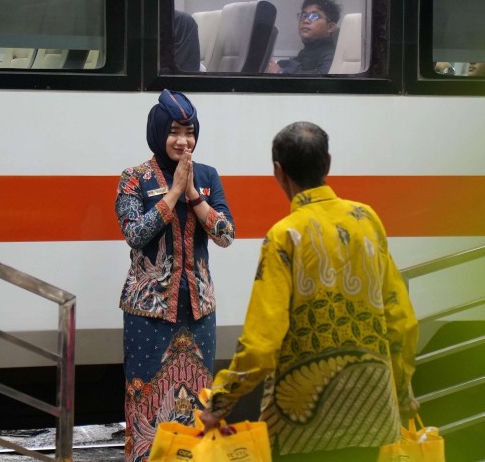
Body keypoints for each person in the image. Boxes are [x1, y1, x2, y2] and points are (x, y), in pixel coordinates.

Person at [199, 121, 419, 462]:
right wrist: (402, 394)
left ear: (278, 171)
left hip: (300, 428)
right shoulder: (367, 219)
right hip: (373, 415)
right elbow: (401, 320)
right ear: (327, 164)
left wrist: (220, 401)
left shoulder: (284, 237)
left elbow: (262, 344)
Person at [115, 90, 236, 462]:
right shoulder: (133, 178)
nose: (183, 141)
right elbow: (134, 234)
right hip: (148, 314)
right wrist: (172, 196)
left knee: (198, 401)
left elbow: (226, 235)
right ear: (157, 132)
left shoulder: (208, 176)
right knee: (147, 400)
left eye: (189, 131)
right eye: (174, 132)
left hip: (199, 310)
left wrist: (195, 197)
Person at [267, 0, 340, 74]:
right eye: (303, 15)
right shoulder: (307, 51)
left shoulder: (332, 55)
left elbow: (322, 79)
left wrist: (280, 72)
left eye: (314, 16)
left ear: (330, 27)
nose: (305, 20)